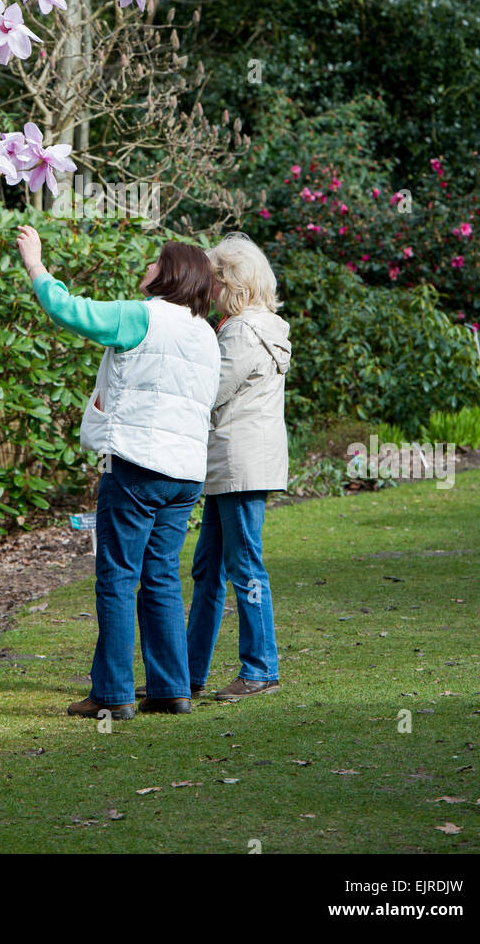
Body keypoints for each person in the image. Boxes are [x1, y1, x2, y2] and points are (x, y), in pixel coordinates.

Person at [15, 225, 220, 720]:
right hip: (187, 473)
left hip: (135, 463)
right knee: (162, 578)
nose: (146, 268)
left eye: (154, 262)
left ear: (169, 274)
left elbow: (71, 311)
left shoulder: (140, 317)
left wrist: (36, 266)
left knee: (116, 577)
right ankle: (171, 690)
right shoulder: (207, 335)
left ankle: (112, 695)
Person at [186, 232, 291, 701]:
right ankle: (185, 673)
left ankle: (260, 668)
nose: (206, 288)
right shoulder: (258, 325)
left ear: (231, 281)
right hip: (233, 464)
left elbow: (209, 393)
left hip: (237, 463)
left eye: (212, 279)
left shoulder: (243, 331)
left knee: (244, 564)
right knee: (208, 568)